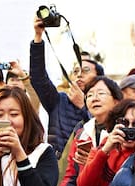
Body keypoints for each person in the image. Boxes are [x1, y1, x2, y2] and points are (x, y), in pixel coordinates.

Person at [57, 76, 123, 186]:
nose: (94, 98)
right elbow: (70, 174)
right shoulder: (81, 133)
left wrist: (94, 161)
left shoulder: (122, 134)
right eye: (90, 94)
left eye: (101, 93)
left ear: (116, 101)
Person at [30, 16, 101, 160]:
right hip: (60, 170)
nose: (79, 75)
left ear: (100, 78)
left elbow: (103, 132)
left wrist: (84, 106)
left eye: (86, 70)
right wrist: (38, 37)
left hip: (91, 167)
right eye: (75, 71)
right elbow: (38, 78)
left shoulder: (106, 103)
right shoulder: (59, 100)